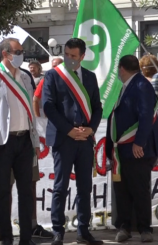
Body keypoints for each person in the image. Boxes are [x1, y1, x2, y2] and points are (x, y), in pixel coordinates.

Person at [0, 38, 40, 245]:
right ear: (5, 53)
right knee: (3, 191)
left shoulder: (24, 76)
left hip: (24, 140)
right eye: (17, 51)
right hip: (2, 143)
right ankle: (6, 237)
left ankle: (26, 238)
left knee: (26, 191)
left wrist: (36, 141)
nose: (21, 54)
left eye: (22, 51)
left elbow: (31, 110)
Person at [42, 38, 103, 245]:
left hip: (84, 139)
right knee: (60, 186)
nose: (69, 59)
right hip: (63, 138)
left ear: (82, 57)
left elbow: (97, 107)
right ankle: (58, 230)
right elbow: (48, 106)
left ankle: (83, 230)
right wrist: (69, 130)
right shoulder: (53, 75)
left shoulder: (90, 77)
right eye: (66, 54)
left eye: (73, 56)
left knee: (85, 187)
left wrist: (90, 129)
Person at [105, 55, 158, 243]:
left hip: (138, 149)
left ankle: (145, 228)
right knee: (122, 190)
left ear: (121, 68)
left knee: (139, 189)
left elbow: (146, 115)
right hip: (122, 150)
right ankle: (125, 226)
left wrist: (139, 142)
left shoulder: (141, 85)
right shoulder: (127, 86)